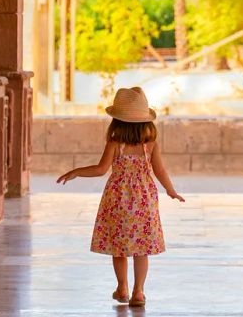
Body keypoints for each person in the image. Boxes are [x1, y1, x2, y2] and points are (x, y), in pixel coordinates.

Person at [56, 87, 185, 307]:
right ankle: (139, 292)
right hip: (144, 198)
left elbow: (100, 169)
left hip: (118, 199)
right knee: (141, 248)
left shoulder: (116, 142)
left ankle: (122, 287)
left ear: (117, 121)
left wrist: (76, 171)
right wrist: (170, 190)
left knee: (119, 246)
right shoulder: (150, 143)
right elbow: (160, 171)